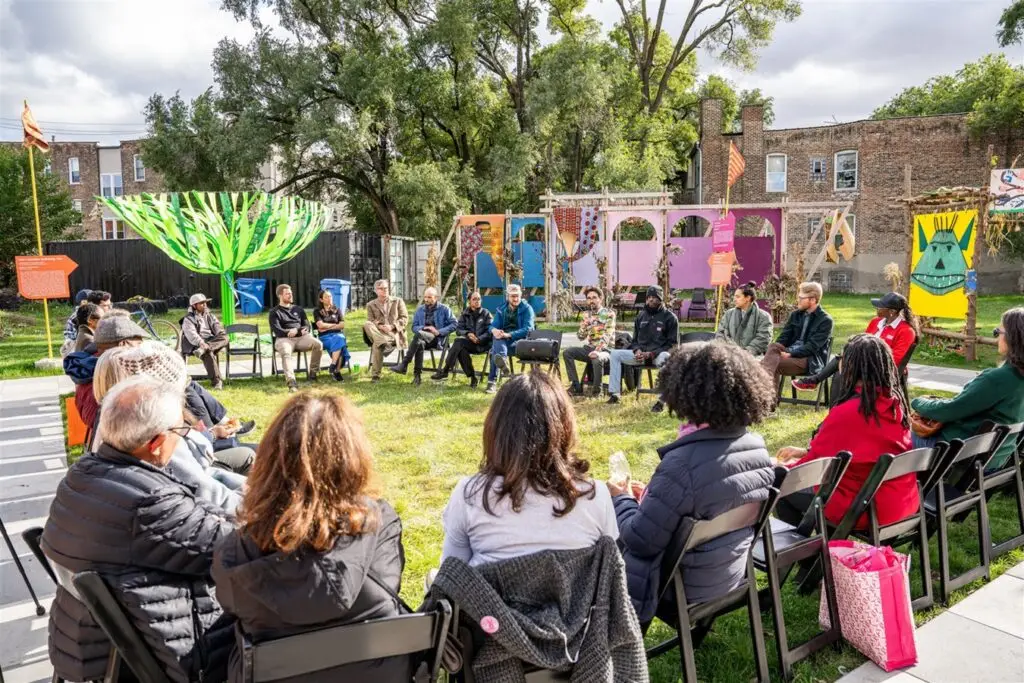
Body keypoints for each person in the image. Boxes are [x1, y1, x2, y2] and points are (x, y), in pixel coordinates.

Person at [41, 377, 236, 683]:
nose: (182, 439)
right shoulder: (149, 503)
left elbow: (198, 520)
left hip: (92, 646)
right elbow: (239, 548)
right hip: (173, 658)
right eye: (180, 431)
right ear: (156, 443)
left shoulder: (83, 476)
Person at [213, 392, 407, 682]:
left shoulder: (234, 551)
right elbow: (390, 588)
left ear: (268, 458)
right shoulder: (378, 522)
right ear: (354, 457)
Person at [609, 341, 776, 627]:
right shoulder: (757, 448)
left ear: (684, 392)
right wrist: (651, 498)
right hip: (728, 575)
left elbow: (639, 540)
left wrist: (620, 497)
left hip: (677, 587)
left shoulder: (682, 464)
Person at [441, 372, 618, 565]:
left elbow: (451, 577)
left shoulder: (470, 495)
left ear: (496, 429)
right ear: (564, 428)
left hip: (487, 594)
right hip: (577, 595)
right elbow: (609, 577)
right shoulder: (596, 496)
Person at [774, 334, 916, 530]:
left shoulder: (850, 413)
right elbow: (865, 451)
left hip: (865, 510)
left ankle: (804, 554)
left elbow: (805, 472)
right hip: (899, 501)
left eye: (842, 359)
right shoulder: (894, 405)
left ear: (850, 367)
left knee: (781, 490)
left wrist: (776, 471)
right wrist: (806, 451)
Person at [911, 307, 1024, 470]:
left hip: (961, 456)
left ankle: (889, 491)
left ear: (1012, 338)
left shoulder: (997, 379)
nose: (997, 337)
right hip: (995, 458)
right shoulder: (1016, 379)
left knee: (895, 440)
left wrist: (918, 402)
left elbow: (949, 410)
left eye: (998, 332)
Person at [793, 291, 918, 395]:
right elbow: (862, 342)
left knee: (843, 365)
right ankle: (834, 415)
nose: (877, 308)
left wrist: (865, 359)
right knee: (839, 373)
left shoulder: (906, 331)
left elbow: (894, 360)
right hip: (864, 362)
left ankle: (814, 381)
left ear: (892, 311)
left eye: (880, 306)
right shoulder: (876, 322)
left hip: (884, 370)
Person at [63, 315, 147, 430]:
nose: (141, 348)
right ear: (123, 344)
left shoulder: (88, 367)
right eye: (138, 344)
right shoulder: (110, 375)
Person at [606, 285, 678, 407]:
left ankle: (662, 400)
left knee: (666, 356)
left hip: (657, 356)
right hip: (640, 357)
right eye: (649, 297)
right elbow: (634, 341)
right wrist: (637, 350)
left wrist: (652, 353)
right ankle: (615, 394)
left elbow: (672, 345)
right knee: (615, 354)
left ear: (660, 299)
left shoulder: (670, 318)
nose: (651, 300)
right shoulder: (641, 316)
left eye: (654, 297)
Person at [761, 281, 834, 387]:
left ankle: (766, 399)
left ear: (813, 300)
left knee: (771, 364)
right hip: (790, 352)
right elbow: (783, 338)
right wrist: (780, 351)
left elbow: (812, 347)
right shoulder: (795, 315)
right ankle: (766, 397)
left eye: (801, 298)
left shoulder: (825, 320)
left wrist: (791, 354)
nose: (798, 300)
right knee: (773, 347)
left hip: (809, 359)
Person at [391, 286, 456, 385]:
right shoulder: (420, 310)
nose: (426, 299)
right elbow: (414, 327)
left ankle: (404, 364)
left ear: (436, 297)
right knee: (419, 341)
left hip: (437, 340)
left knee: (418, 337)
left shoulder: (444, 309)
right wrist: (423, 328)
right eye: (425, 297)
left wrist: (438, 331)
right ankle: (417, 377)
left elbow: (455, 324)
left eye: (429, 297)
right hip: (423, 338)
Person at [431, 290, 493, 387]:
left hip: (483, 344)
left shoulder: (486, 314)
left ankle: (445, 370)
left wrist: (479, 339)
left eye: (479, 299)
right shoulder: (465, 314)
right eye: (474, 299)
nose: (477, 301)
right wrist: (468, 334)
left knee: (458, 343)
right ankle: (473, 378)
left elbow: (490, 331)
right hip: (470, 343)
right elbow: (458, 330)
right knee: (460, 348)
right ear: (469, 301)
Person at [269, 283, 323, 392]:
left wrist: (296, 331)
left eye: (291, 293)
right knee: (285, 352)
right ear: (280, 296)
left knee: (318, 344)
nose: (290, 295)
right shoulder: (274, 312)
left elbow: (307, 326)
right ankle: (291, 382)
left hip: (301, 337)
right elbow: (278, 331)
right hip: (284, 339)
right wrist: (291, 331)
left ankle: (312, 374)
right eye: (287, 294)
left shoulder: (298, 309)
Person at [564, 286, 616, 397]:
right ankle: (576, 386)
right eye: (589, 298)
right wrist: (584, 326)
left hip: (606, 350)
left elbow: (607, 336)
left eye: (594, 297)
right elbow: (580, 337)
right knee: (567, 352)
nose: (591, 300)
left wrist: (597, 350)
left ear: (600, 299)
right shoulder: (586, 315)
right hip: (589, 348)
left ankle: (597, 392)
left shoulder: (609, 314)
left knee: (596, 358)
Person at [485, 284, 536, 394]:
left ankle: (492, 382)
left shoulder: (527, 309)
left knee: (495, 349)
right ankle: (502, 361)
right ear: (507, 296)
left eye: (517, 296)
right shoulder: (501, 309)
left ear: (520, 295)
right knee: (497, 338)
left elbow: (528, 329)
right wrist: (494, 331)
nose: (516, 299)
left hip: (522, 343)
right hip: (505, 343)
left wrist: (509, 335)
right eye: (513, 296)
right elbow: (492, 326)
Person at [362, 279, 409, 382]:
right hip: (378, 333)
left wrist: (392, 326)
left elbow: (404, 318)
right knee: (367, 324)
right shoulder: (371, 304)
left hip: (393, 333)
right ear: (376, 291)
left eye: (386, 288)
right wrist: (379, 326)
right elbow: (370, 320)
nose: (384, 290)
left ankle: (375, 376)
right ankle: (382, 343)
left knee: (376, 345)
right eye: (381, 288)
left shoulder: (398, 301)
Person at [181, 293, 229, 389]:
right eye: (201, 303)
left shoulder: (210, 315)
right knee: (208, 353)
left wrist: (219, 332)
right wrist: (201, 343)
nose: (205, 305)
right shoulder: (188, 319)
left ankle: (205, 348)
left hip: (209, 341)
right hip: (194, 343)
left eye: (205, 303)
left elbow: (217, 327)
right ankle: (217, 382)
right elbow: (192, 335)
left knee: (225, 337)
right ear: (194, 306)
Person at [717, 281, 773, 356]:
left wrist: (745, 354)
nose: (734, 299)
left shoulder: (764, 317)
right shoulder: (728, 314)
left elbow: (763, 338)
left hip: (752, 357)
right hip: (728, 355)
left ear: (748, 298)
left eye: (738, 296)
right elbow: (720, 334)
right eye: (734, 296)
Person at [313, 287, 350, 381]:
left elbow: (342, 325)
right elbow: (319, 325)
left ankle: (334, 366)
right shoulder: (317, 311)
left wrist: (326, 327)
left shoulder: (337, 310)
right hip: (325, 338)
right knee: (341, 343)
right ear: (321, 299)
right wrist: (335, 325)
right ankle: (336, 370)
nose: (329, 298)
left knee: (339, 338)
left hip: (337, 335)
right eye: (326, 297)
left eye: (330, 296)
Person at [60, 289, 94, 356]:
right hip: (78, 347)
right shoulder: (76, 316)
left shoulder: (94, 313)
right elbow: (69, 336)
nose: (89, 304)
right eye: (85, 302)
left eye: (91, 302)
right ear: (81, 303)